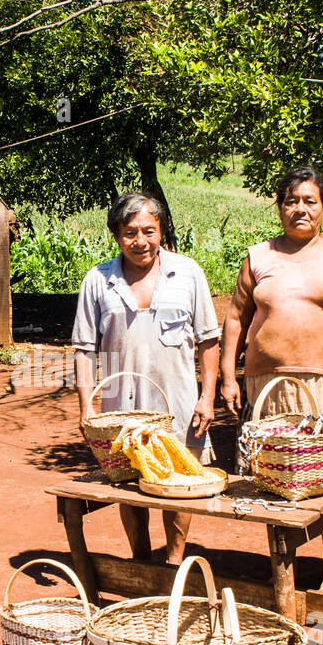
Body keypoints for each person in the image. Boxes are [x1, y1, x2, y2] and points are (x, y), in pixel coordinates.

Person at [72, 192, 221, 566]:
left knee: (177, 484)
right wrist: (87, 407)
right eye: (130, 232)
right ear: (117, 235)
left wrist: (207, 397)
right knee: (128, 485)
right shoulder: (98, 281)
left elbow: (208, 340)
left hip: (179, 403)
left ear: (161, 230)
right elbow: (84, 350)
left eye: (148, 231)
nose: (140, 241)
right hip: (119, 410)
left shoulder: (187, 273)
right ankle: (140, 560)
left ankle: (173, 562)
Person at [220, 166, 323, 490]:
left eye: (310, 201)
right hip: (268, 387)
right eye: (291, 201)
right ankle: (281, 543)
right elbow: (236, 317)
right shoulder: (258, 257)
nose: (300, 209)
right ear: (280, 208)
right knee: (272, 480)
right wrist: (227, 379)